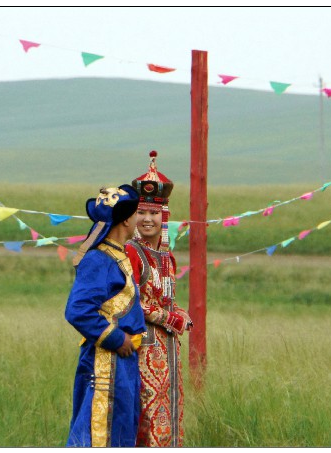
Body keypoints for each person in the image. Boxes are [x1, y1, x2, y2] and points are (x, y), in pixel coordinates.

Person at [65, 184, 146, 447]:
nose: (139, 219)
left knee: (122, 428)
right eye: (136, 213)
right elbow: (78, 310)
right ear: (126, 219)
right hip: (104, 360)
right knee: (98, 432)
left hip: (122, 362)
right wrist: (115, 338)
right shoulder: (98, 260)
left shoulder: (117, 255)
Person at [126, 151, 192, 447]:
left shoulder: (167, 257)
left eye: (153, 213)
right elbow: (128, 300)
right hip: (141, 349)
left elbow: (166, 299)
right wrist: (168, 318)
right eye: (141, 212)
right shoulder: (131, 252)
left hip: (168, 351)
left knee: (170, 417)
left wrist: (180, 312)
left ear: (164, 216)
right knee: (145, 419)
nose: (147, 219)